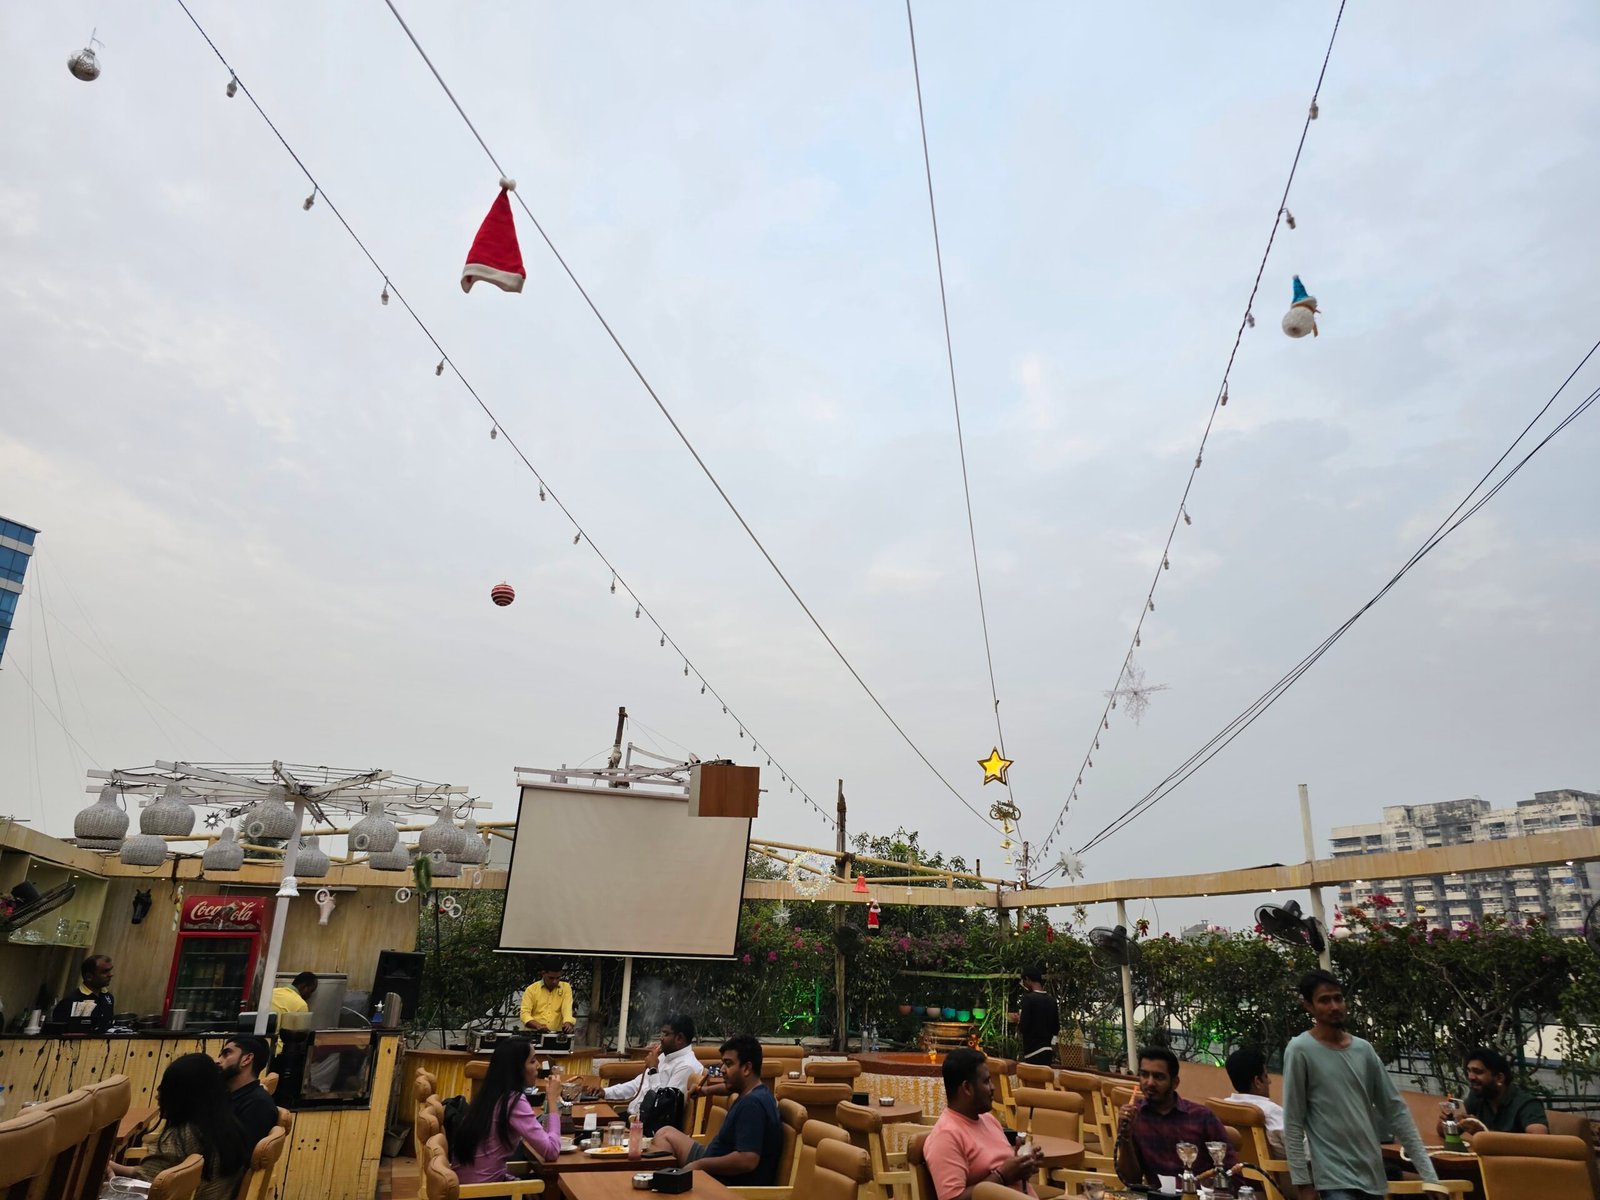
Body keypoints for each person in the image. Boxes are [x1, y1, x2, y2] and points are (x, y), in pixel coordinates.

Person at [1283, 970, 1444, 1200]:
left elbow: (1396, 1111)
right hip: (1333, 1179)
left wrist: (1429, 1176)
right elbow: (1293, 1120)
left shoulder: (1363, 1050)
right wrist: (1302, 1184)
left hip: (1373, 1177)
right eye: (1324, 1000)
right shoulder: (1300, 1050)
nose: (1334, 1006)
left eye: (1338, 998)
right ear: (1308, 1006)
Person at [107, 1053, 247, 1200]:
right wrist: (111, 1166)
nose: (157, 1096)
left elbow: (146, 1185)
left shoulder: (179, 1139)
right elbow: (149, 1175)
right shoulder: (226, 1126)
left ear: (181, 1096)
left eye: (165, 1089)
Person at [649, 1035, 781, 1185]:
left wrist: (700, 1165)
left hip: (720, 1178)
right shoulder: (757, 1091)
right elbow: (728, 1088)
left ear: (746, 1068)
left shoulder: (752, 1105)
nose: (722, 1070)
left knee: (663, 1140)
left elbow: (748, 1160)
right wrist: (704, 1091)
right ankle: (666, 1181)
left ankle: (665, 1185)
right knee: (665, 1133)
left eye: (728, 1064)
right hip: (711, 1158)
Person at [923, 1047, 1044, 1198]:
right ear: (967, 1088)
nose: (993, 1087)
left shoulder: (988, 1120)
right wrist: (1002, 1176)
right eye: (986, 1082)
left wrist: (1021, 1165)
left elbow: (1003, 1170)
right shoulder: (946, 1136)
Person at [1115, 1046, 1238, 1188]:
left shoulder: (1201, 1117)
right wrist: (1125, 1138)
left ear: (1175, 1083)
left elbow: (1233, 1173)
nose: (1150, 1082)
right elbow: (1131, 1180)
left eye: (1159, 1077)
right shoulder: (1136, 1117)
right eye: (1144, 1075)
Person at [449, 1037, 563, 1184]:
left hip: (467, 1187)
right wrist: (552, 1100)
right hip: (484, 1191)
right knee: (555, 1184)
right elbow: (551, 1151)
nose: (538, 1065)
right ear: (517, 1069)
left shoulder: (489, 1095)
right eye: (532, 1061)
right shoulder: (513, 1101)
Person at [600, 1013, 698, 1128]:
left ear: (679, 1038)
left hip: (649, 1127)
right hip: (634, 1118)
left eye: (666, 1034)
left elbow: (662, 1105)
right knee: (592, 1120)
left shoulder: (687, 1066)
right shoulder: (665, 1056)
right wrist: (605, 1092)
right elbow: (636, 1085)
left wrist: (653, 1070)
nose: (661, 1038)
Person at [1438, 1046, 1548, 1142]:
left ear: (1499, 1078)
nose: (1471, 1077)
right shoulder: (1477, 1097)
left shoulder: (1527, 1104)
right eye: (1469, 1071)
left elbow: (1540, 1141)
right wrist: (1448, 1123)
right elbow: (1446, 1132)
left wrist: (1484, 1133)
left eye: (1478, 1072)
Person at [216, 1034, 279, 1151]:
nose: (217, 1061)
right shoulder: (228, 1095)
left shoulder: (259, 1104)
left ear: (246, 1059)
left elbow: (234, 1154)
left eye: (226, 1054)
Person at [1224, 1046, 1286, 1157]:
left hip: (1235, 1167)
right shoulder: (1271, 1112)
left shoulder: (1224, 1106)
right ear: (1257, 1082)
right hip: (1275, 1168)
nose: (1269, 1081)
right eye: (1266, 1076)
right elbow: (1304, 1152)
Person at [52, 954, 115, 1030]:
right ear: (89, 977)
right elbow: (58, 1031)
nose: (110, 975)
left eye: (110, 970)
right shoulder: (71, 1000)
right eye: (105, 972)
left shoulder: (108, 997)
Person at [1016, 965, 1059, 1066]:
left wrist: (1019, 1020)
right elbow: (1056, 1029)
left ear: (1027, 979)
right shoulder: (1052, 1000)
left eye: (1024, 981)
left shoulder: (1028, 999)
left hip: (1032, 1051)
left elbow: (1023, 1027)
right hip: (1048, 1051)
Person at [519, 964, 575, 1035]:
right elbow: (524, 1014)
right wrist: (537, 1025)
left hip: (557, 1034)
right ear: (543, 974)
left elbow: (567, 1009)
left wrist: (567, 1022)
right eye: (551, 978)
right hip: (534, 1034)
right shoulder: (531, 989)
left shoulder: (566, 988)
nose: (554, 981)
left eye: (558, 978)